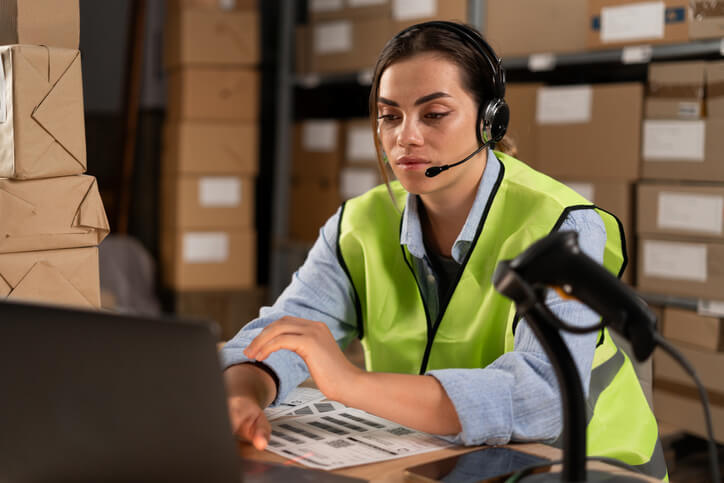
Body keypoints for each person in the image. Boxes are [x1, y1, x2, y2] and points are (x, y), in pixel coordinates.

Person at [220, 21, 666, 480]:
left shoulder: (563, 224)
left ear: (490, 121)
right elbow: (285, 330)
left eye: (433, 115)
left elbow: (541, 397)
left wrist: (352, 383)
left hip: (584, 464)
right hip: (449, 459)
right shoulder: (359, 224)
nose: (404, 137)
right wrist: (243, 392)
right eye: (389, 115)